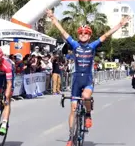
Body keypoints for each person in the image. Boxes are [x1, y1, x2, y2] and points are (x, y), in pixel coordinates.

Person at [46, 9, 129, 146]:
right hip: (76, 79)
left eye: (86, 33)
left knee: (86, 96)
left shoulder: (92, 46)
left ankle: (88, 114)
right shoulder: (74, 44)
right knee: (73, 108)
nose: (83, 35)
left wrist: (119, 24)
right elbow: (63, 32)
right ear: (78, 35)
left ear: (89, 36)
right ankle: (71, 136)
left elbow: (106, 35)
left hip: (88, 79)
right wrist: (53, 18)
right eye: (81, 33)